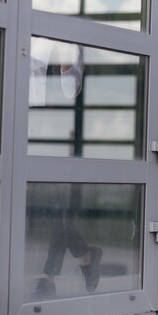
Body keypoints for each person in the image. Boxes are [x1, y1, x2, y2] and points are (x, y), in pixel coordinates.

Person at [29, 36, 102, 299]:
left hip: (61, 135)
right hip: (30, 130)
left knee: (56, 209)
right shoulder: (28, 39)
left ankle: (48, 277)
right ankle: (86, 256)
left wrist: (64, 61)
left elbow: (71, 91)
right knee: (46, 208)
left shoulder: (68, 43)